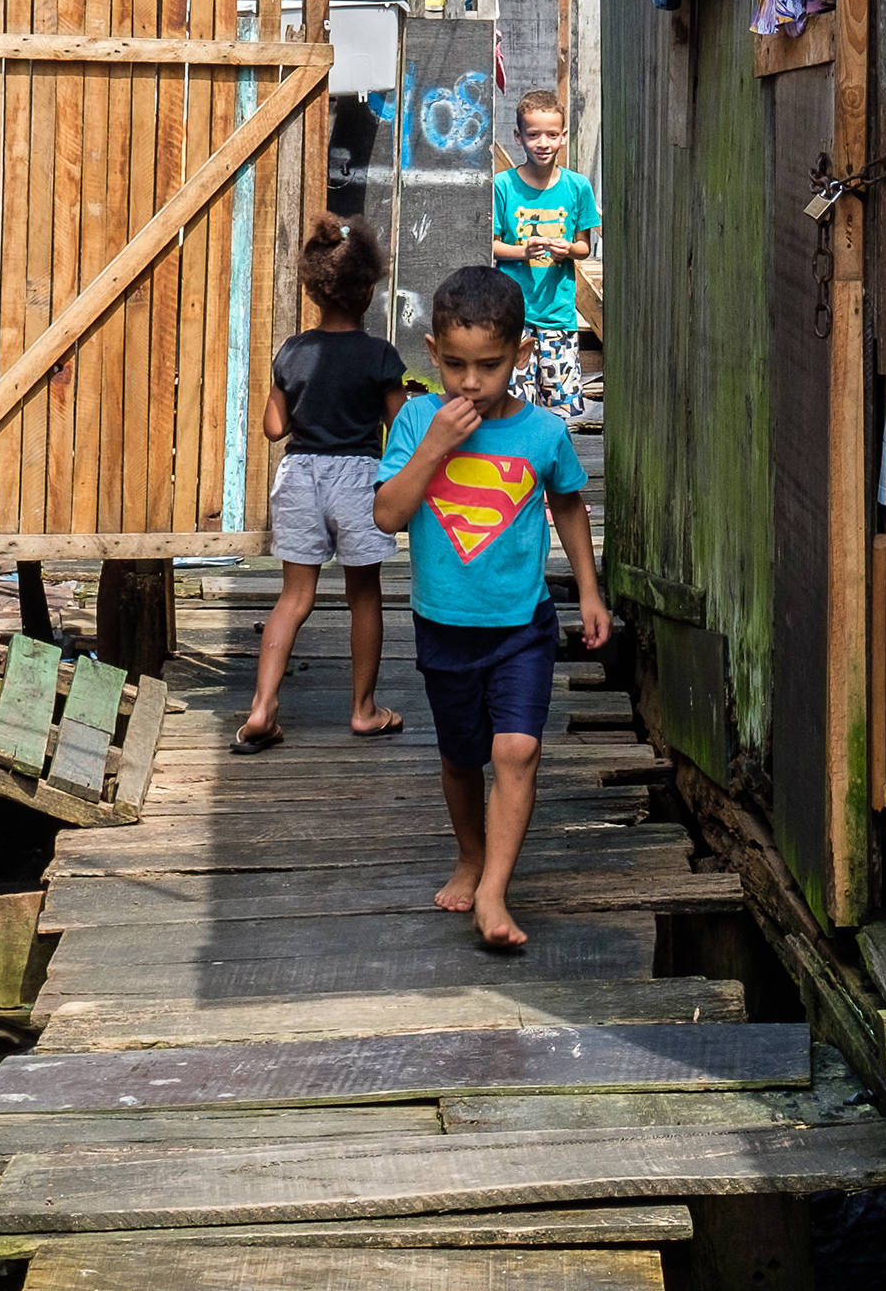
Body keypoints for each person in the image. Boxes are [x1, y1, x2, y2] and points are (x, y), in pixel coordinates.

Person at [371, 265, 611, 953]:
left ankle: (495, 890)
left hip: (521, 624)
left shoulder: (542, 432)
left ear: (523, 355)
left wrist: (588, 590)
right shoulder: (419, 418)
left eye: (489, 365)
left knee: (518, 748)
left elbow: (567, 501)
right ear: (431, 350)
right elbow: (387, 512)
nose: (470, 382)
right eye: (454, 364)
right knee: (460, 756)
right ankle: (471, 855)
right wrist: (435, 446)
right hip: (443, 623)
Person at [234, 217, 410, 752]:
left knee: (294, 597)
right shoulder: (380, 355)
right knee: (364, 596)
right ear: (370, 290)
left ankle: (262, 709)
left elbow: (273, 428)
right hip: (358, 476)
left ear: (312, 290)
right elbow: (399, 426)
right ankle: (363, 710)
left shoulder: (292, 351)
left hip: (301, 474)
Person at [489, 90, 601, 418]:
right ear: (518, 137)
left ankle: (553, 467)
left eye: (552, 135)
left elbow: (583, 247)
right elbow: (493, 245)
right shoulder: (503, 185)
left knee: (560, 409)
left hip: (558, 315)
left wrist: (568, 250)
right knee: (514, 407)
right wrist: (523, 251)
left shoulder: (577, 187)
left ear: (564, 137)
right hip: (515, 316)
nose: (543, 143)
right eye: (533, 134)